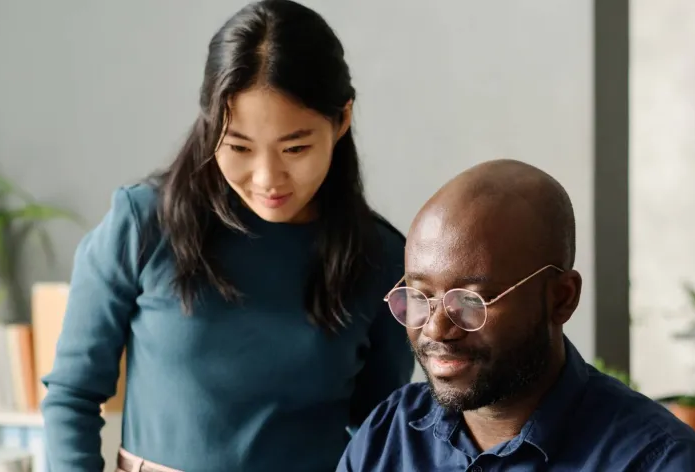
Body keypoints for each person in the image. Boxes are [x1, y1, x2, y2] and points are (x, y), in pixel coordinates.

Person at [40, 1, 414, 471]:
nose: (267, 179)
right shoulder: (142, 224)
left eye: (295, 148)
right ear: (209, 123)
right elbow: (72, 395)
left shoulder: (381, 259)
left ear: (341, 121)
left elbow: (381, 435)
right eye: (238, 146)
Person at [337, 159, 695, 472]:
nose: (437, 328)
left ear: (561, 298)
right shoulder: (389, 436)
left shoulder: (659, 461)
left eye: (472, 302)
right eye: (420, 296)